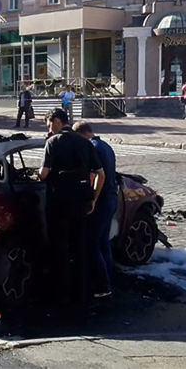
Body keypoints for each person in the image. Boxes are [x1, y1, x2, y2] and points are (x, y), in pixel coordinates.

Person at [37, 108, 105, 305]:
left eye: (49, 125)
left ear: (57, 121)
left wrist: (35, 175)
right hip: (81, 202)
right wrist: (93, 198)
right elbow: (101, 174)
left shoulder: (53, 142)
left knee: (59, 248)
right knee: (79, 247)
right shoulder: (85, 143)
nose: (49, 129)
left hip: (59, 202)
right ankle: (80, 293)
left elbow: (43, 174)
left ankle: (61, 294)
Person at [74, 121, 117, 299]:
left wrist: (92, 198)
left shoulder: (92, 148)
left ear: (82, 134)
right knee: (103, 242)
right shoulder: (106, 146)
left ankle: (101, 285)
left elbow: (95, 176)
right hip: (111, 198)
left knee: (92, 244)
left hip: (101, 200)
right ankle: (108, 280)